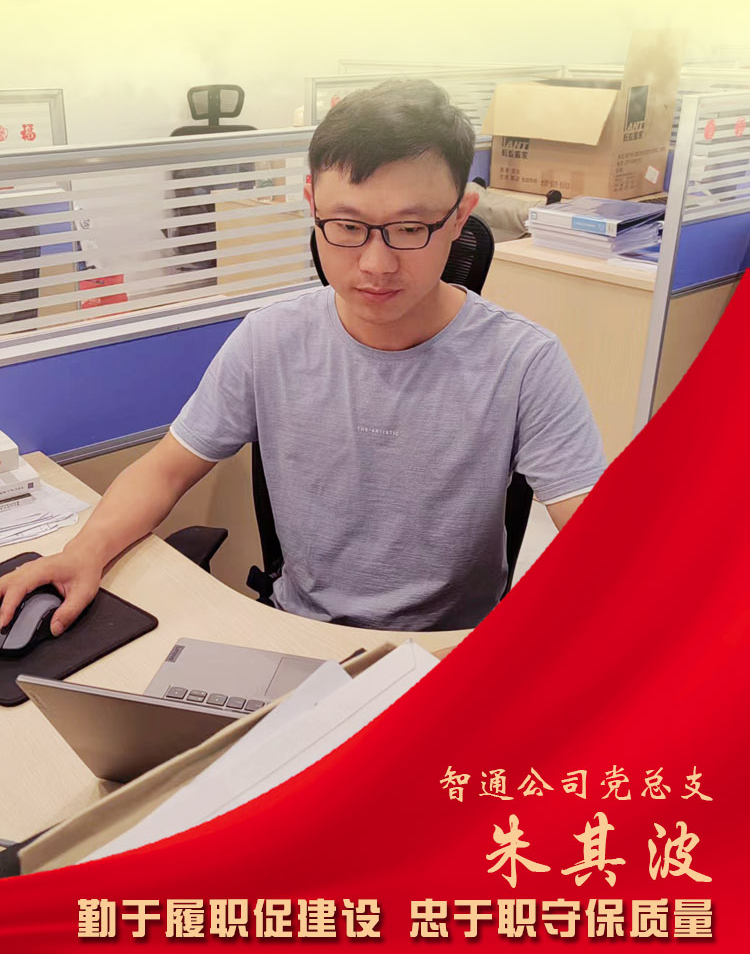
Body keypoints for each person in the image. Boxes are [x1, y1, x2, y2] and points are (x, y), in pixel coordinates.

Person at [0, 79, 606, 635]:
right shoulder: (270, 340)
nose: (376, 264)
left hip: (448, 653)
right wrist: (84, 553)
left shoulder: (523, 363)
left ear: (459, 218)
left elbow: (599, 539)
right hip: (298, 634)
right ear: (312, 202)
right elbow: (164, 470)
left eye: (410, 228)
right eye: (346, 224)